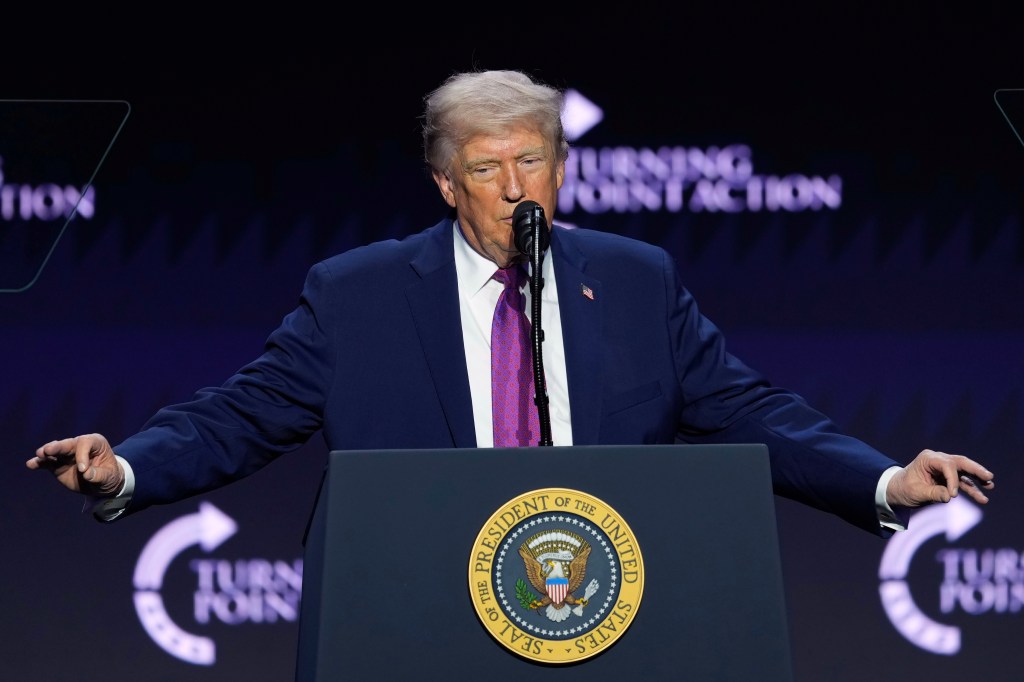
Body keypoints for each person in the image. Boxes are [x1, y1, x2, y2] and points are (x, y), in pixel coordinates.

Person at [27, 68, 994, 535]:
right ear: (447, 186)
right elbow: (237, 415)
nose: (515, 186)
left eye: (533, 160)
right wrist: (126, 471)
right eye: (487, 168)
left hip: (605, 602)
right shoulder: (359, 294)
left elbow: (752, 410)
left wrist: (883, 480)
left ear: (561, 168)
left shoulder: (633, 279)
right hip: (415, 608)